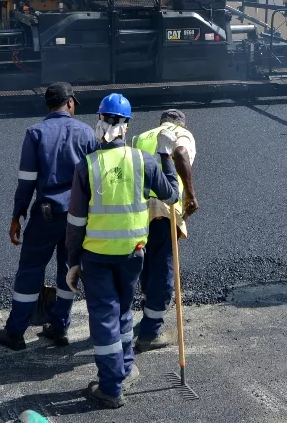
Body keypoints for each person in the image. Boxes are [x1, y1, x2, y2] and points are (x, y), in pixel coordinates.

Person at [65, 93, 179, 409]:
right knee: (124, 312)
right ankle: (125, 368)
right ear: (126, 126)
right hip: (133, 255)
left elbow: (75, 221)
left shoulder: (86, 166)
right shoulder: (144, 161)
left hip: (96, 258)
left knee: (104, 318)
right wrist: (166, 156)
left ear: (98, 122)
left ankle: (112, 387)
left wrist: (72, 262)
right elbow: (171, 196)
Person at [0, 83, 96, 351]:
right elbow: (94, 181)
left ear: (49, 104)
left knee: (30, 270)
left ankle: (15, 332)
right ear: (70, 103)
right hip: (77, 217)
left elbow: (26, 180)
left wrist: (17, 215)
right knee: (69, 269)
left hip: (45, 215)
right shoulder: (86, 133)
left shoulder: (35, 133)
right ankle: (60, 326)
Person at [131, 109, 199, 353]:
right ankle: (151, 332)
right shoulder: (183, 135)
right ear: (181, 123)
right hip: (164, 207)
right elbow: (180, 153)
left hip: (137, 209)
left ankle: (146, 318)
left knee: (146, 264)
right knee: (164, 267)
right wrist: (190, 194)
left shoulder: (140, 137)